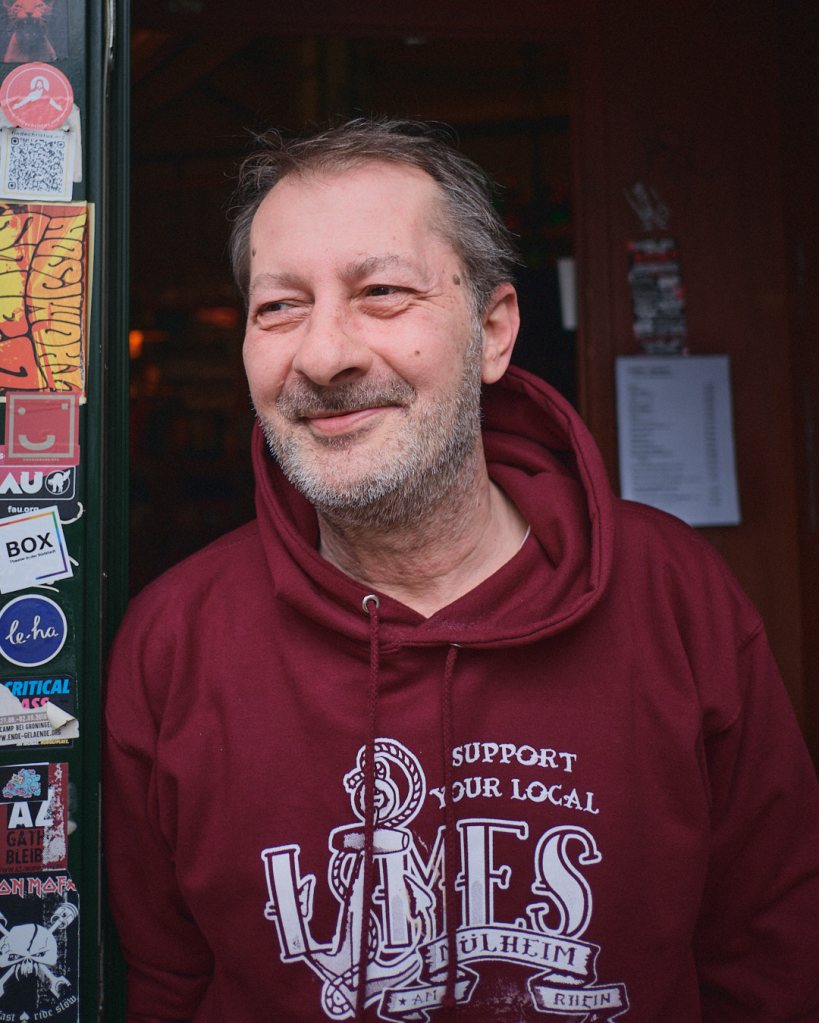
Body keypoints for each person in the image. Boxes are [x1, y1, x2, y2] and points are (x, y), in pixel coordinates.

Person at [104, 119, 819, 1023]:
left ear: (492, 330)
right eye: (279, 306)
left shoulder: (672, 595)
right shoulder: (175, 642)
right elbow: (164, 987)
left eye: (381, 292)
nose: (323, 355)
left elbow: (771, 956)